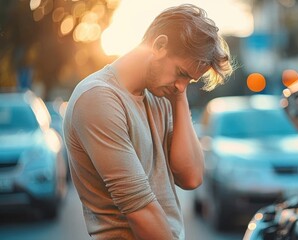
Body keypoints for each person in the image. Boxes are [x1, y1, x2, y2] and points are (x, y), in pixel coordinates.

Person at [63, 4, 234, 240]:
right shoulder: (98, 98)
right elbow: (139, 209)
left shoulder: (162, 94)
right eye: (182, 73)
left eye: (190, 81)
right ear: (159, 45)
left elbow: (191, 176)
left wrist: (179, 95)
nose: (182, 86)